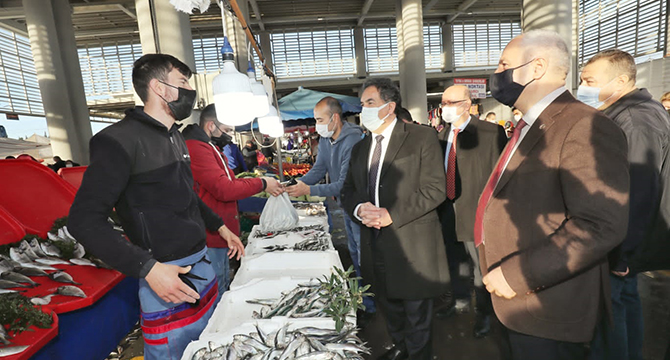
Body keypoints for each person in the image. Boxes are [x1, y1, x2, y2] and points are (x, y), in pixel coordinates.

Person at [68, 54, 241, 360]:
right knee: (174, 352)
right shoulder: (117, 141)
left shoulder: (174, 136)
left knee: (209, 349)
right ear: (158, 88)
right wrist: (147, 269)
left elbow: (188, 195)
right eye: (182, 82)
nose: (190, 90)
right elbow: (85, 220)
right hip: (165, 275)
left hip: (201, 264)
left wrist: (221, 227)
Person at [478, 30, 629, 360]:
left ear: (537, 67)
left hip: (547, 306)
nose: (497, 73)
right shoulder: (532, 124)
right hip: (515, 303)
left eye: (504, 63)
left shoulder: (585, 126)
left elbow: (600, 224)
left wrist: (519, 275)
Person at [341, 78, 449, 360]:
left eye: (370, 103)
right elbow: (348, 190)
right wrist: (358, 210)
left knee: (417, 319)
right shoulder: (360, 148)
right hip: (374, 245)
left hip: (412, 248)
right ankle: (401, 347)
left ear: (389, 107)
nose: (363, 109)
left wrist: (392, 214)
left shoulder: (420, 138)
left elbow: (435, 190)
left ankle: (417, 354)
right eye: (362, 104)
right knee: (390, 311)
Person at [579, 49, 670, 360]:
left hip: (622, 240)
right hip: (628, 240)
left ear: (620, 81)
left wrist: (623, 251)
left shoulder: (633, 120)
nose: (583, 88)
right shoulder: (635, 112)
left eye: (589, 81)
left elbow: (639, 190)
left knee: (611, 313)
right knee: (626, 302)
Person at [284, 96, 375, 320]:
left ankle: (371, 303)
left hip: (359, 206)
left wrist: (309, 191)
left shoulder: (353, 141)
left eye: (320, 119)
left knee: (364, 256)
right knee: (354, 253)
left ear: (335, 118)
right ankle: (362, 299)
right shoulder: (326, 140)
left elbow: (343, 183)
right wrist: (297, 184)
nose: (317, 125)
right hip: (344, 205)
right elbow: (319, 169)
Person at [183, 104, 283, 295]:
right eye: (227, 130)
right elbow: (224, 189)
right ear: (211, 126)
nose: (229, 135)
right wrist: (262, 183)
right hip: (210, 236)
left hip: (220, 235)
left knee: (221, 282)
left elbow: (227, 183)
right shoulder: (197, 148)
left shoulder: (210, 147)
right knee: (215, 290)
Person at [435, 85, 507, 339]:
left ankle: (485, 314)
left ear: (467, 104)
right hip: (447, 212)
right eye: (443, 102)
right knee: (455, 263)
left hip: (478, 214)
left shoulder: (490, 133)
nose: (445, 107)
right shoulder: (442, 135)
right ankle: (460, 302)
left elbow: (502, 176)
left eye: (451, 102)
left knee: (480, 268)